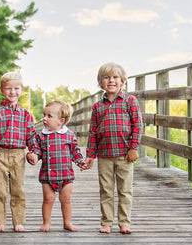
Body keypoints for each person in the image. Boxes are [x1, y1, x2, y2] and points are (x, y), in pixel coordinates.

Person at [84, 62, 143, 234]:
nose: (111, 81)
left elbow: (137, 125)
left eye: (115, 77)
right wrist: (90, 155)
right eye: (106, 77)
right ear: (100, 82)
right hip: (104, 155)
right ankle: (107, 222)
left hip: (125, 155)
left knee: (125, 190)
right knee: (106, 190)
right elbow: (93, 132)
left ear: (122, 81)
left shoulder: (130, 101)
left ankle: (124, 222)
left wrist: (134, 147)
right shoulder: (97, 107)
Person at [0, 72, 39, 232]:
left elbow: (31, 135)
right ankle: (0, 221)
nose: (12, 92)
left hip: (18, 155)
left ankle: (18, 221)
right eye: (8, 88)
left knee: (18, 189)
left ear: (21, 90)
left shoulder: (26, 115)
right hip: (0, 153)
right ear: (2, 89)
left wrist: (34, 151)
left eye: (16, 88)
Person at [27, 100, 86, 232]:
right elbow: (37, 150)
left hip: (66, 175)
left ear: (61, 121)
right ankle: (46, 223)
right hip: (48, 175)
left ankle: (67, 222)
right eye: (44, 115)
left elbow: (74, 151)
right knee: (48, 199)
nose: (44, 119)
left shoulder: (69, 135)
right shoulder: (41, 136)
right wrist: (33, 156)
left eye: (49, 116)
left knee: (66, 199)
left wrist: (80, 161)